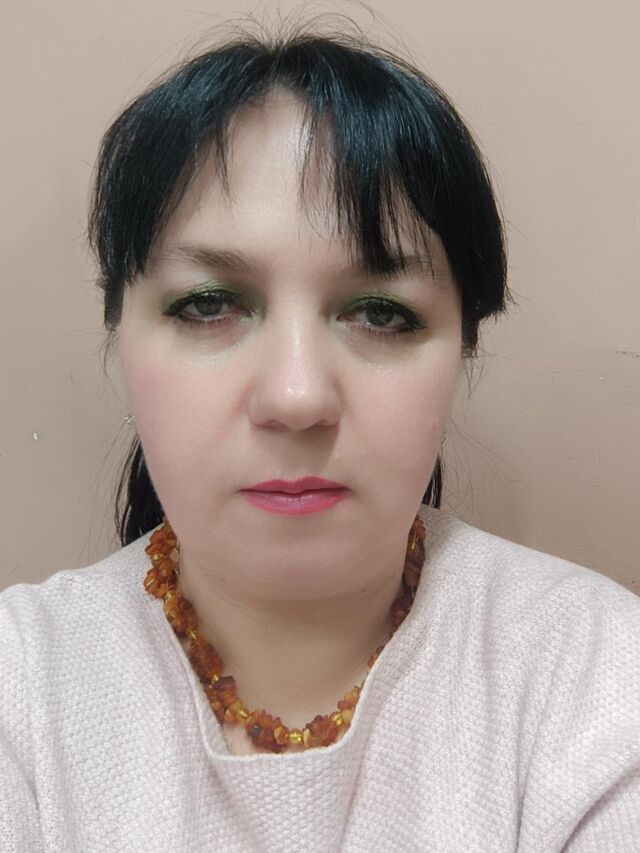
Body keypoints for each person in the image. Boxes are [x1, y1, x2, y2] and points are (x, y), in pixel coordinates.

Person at [1, 18, 639, 853]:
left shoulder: (596, 678)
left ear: (462, 347)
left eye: (381, 312)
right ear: (121, 334)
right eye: (208, 303)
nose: (297, 397)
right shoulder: (22, 690)